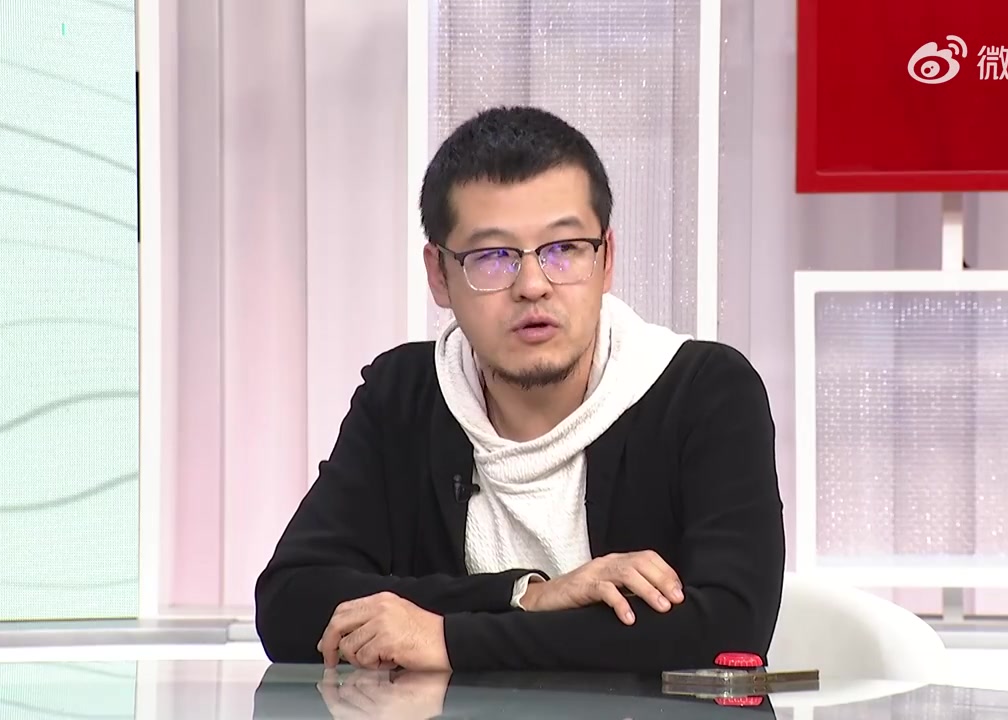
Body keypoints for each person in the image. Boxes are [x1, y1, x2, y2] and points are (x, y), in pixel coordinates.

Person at [254, 105, 785, 673]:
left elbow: (730, 631)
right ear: (438, 275)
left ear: (607, 259)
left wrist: (448, 640)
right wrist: (526, 595)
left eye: (565, 249)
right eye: (493, 257)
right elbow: (292, 604)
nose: (533, 285)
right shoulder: (404, 396)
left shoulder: (703, 391)